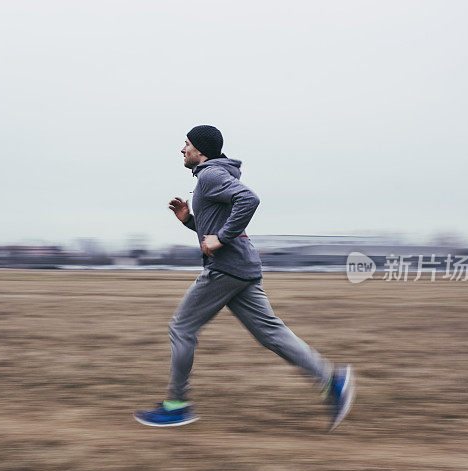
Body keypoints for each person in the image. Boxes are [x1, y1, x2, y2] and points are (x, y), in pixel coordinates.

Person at [134, 125, 355, 431]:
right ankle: (333, 381)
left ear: (200, 149)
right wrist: (190, 222)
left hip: (226, 268)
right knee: (271, 334)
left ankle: (176, 405)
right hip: (241, 266)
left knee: (182, 328)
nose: (182, 149)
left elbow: (249, 200)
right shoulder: (212, 176)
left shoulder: (210, 175)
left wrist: (221, 239)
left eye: (186, 144)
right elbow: (216, 223)